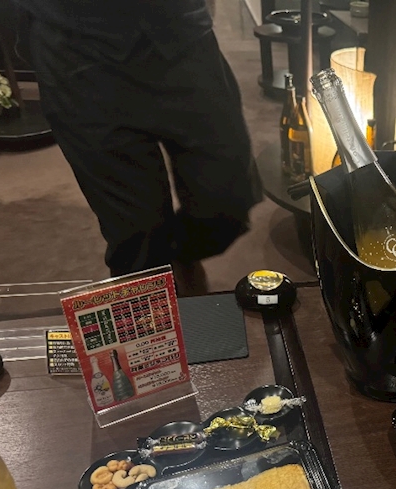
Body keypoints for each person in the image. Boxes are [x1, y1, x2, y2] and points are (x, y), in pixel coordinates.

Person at [17, 0, 262, 286]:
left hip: (179, 34)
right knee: (136, 235)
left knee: (227, 197)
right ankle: (160, 293)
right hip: (74, 50)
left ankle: (180, 254)